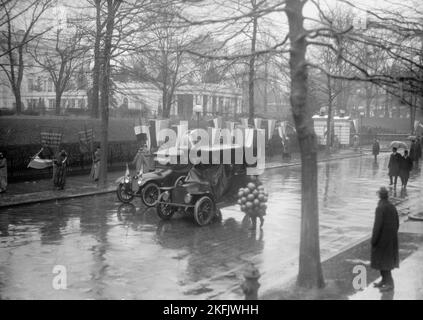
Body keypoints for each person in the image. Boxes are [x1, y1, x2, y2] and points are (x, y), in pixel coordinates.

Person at [371, 187, 399, 292]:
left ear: (379, 196)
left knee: (383, 262)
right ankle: (384, 281)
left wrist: (374, 240)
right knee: (386, 262)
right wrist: (392, 235)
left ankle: (389, 283)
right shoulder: (392, 206)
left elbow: (377, 226)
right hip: (391, 239)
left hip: (382, 240)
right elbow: (397, 222)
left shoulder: (380, 208)